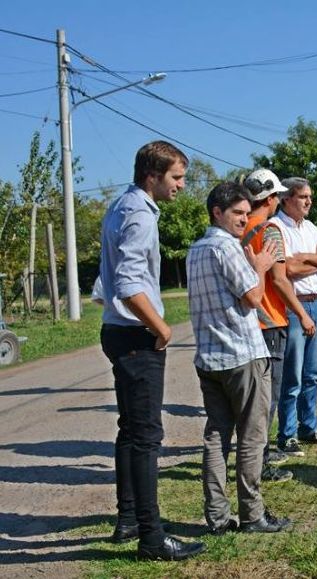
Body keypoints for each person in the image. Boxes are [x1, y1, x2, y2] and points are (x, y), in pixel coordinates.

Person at [99, 141, 205, 560]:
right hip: (136, 335)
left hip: (117, 330)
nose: (180, 185)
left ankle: (128, 519)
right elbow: (127, 283)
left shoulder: (121, 204)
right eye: (176, 177)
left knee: (130, 431)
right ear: (153, 176)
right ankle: (151, 536)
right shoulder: (140, 214)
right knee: (146, 437)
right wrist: (161, 326)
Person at [186, 181, 291, 535]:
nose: (245, 221)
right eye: (238, 214)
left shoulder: (196, 250)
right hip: (242, 355)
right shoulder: (227, 248)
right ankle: (253, 515)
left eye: (247, 214)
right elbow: (252, 298)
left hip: (210, 357)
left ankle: (216, 517)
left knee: (216, 437)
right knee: (252, 437)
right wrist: (259, 265)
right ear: (217, 212)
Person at [241, 168, 317, 481]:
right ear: (272, 199)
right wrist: (301, 313)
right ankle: (259, 463)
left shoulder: (239, 228)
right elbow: (280, 278)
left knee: (255, 397)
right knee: (267, 399)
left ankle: (259, 453)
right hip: (270, 319)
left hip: (247, 320)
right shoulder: (270, 230)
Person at [269, 177, 317, 457]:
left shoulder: (309, 227)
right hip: (293, 306)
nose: (308, 201)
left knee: (313, 373)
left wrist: (305, 258)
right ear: (286, 199)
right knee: (292, 375)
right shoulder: (276, 227)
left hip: (315, 304)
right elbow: (287, 272)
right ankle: (286, 435)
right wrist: (314, 262)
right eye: (303, 197)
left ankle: (308, 428)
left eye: (310, 196)